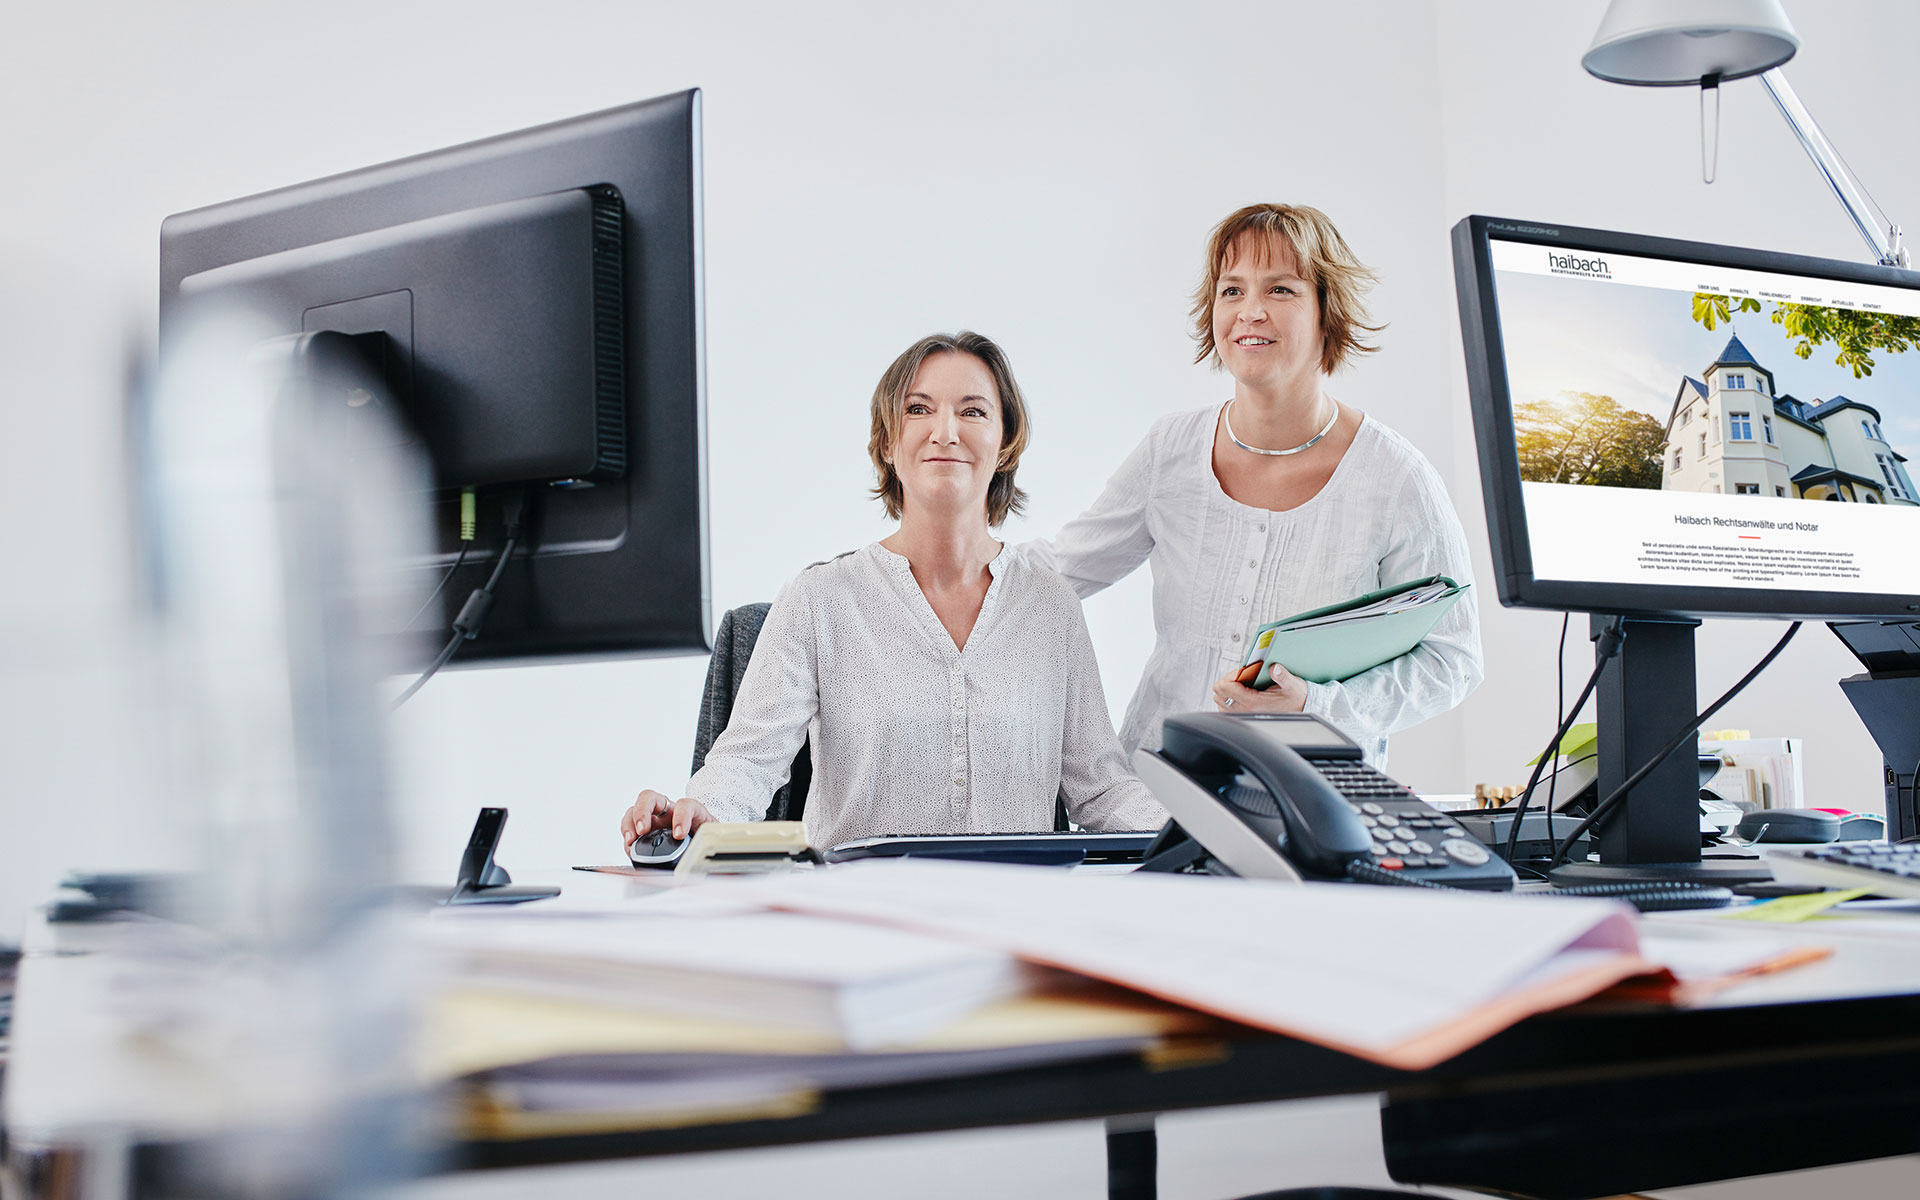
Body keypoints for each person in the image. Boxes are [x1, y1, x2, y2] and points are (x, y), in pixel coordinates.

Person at [621, 331, 1166, 850]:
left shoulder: (1050, 608)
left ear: (1005, 443)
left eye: (973, 411)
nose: (945, 431)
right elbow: (746, 761)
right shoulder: (820, 600)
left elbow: (1101, 786)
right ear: (887, 442)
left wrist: (1210, 841)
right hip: (863, 923)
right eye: (918, 409)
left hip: (1013, 918)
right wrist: (695, 812)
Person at [1027, 204, 1482, 768]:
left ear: (1327, 310)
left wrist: (1316, 704)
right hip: (1156, 798)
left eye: (1282, 290)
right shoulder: (1169, 449)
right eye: (1232, 290)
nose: (1251, 312)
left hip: (1313, 805)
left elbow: (1452, 660)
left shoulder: (1396, 477)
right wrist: (926, 567)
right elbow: (1059, 573)